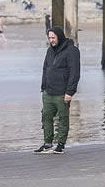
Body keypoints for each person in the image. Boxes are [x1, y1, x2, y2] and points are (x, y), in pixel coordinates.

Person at [34, 27, 81, 155]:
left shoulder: (72, 51)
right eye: (49, 38)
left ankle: (61, 144)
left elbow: (74, 73)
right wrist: (43, 87)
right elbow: (45, 69)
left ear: (59, 36)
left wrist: (70, 92)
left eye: (53, 38)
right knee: (46, 117)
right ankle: (48, 143)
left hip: (62, 93)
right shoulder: (50, 51)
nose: (51, 40)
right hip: (48, 92)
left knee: (63, 119)